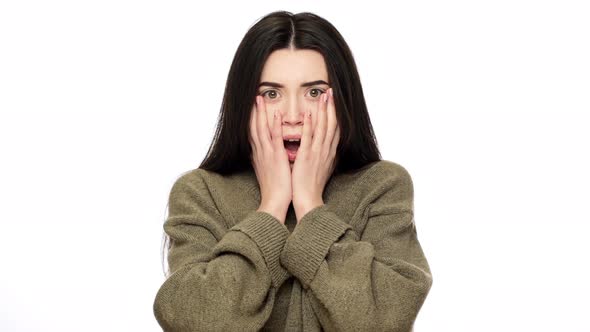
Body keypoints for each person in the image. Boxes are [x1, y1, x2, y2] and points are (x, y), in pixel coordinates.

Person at [153, 10, 433, 332]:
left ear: (343, 100)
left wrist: (309, 203)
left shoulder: (383, 187)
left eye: (314, 92)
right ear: (243, 102)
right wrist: (272, 206)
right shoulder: (199, 193)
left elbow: (383, 323)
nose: (293, 115)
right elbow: (196, 321)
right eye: (271, 94)